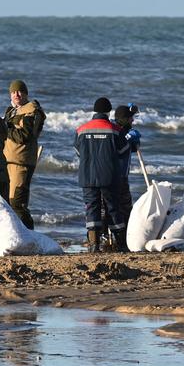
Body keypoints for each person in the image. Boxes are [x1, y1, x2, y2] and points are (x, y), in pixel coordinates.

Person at [76, 97, 126, 252]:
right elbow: (123, 151)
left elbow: (78, 152)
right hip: (109, 177)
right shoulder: (115, 130)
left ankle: (93, 244)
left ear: (94, 111)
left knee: (91, 208)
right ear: (108, 112)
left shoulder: (81, 130)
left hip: (88, 176)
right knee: (113, 208)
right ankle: (121, 244)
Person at [4, 80, 46, 229]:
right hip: (8, 161)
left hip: (21, 163)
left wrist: (6, 128)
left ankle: (29, 233)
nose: (16, 94)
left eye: (20, 91)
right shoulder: (11, 111)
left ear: (25, 93)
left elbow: (25, 136)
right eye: (13, 92)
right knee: (7, 202)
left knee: (17, 202)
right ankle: (16, 233)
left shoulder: (32, 111)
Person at [107, 103, 141, 247]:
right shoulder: (118, 133)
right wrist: (130, 138)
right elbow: (120, 146)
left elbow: (132, 148)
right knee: (122, 208)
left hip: (114, 177)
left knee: (116, 207)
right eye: (130, 118)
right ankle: (121, 239)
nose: (133, 121)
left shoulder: (121, 131)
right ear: (125, 119)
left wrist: (135, 141)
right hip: (117, 177)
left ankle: (122, 238)